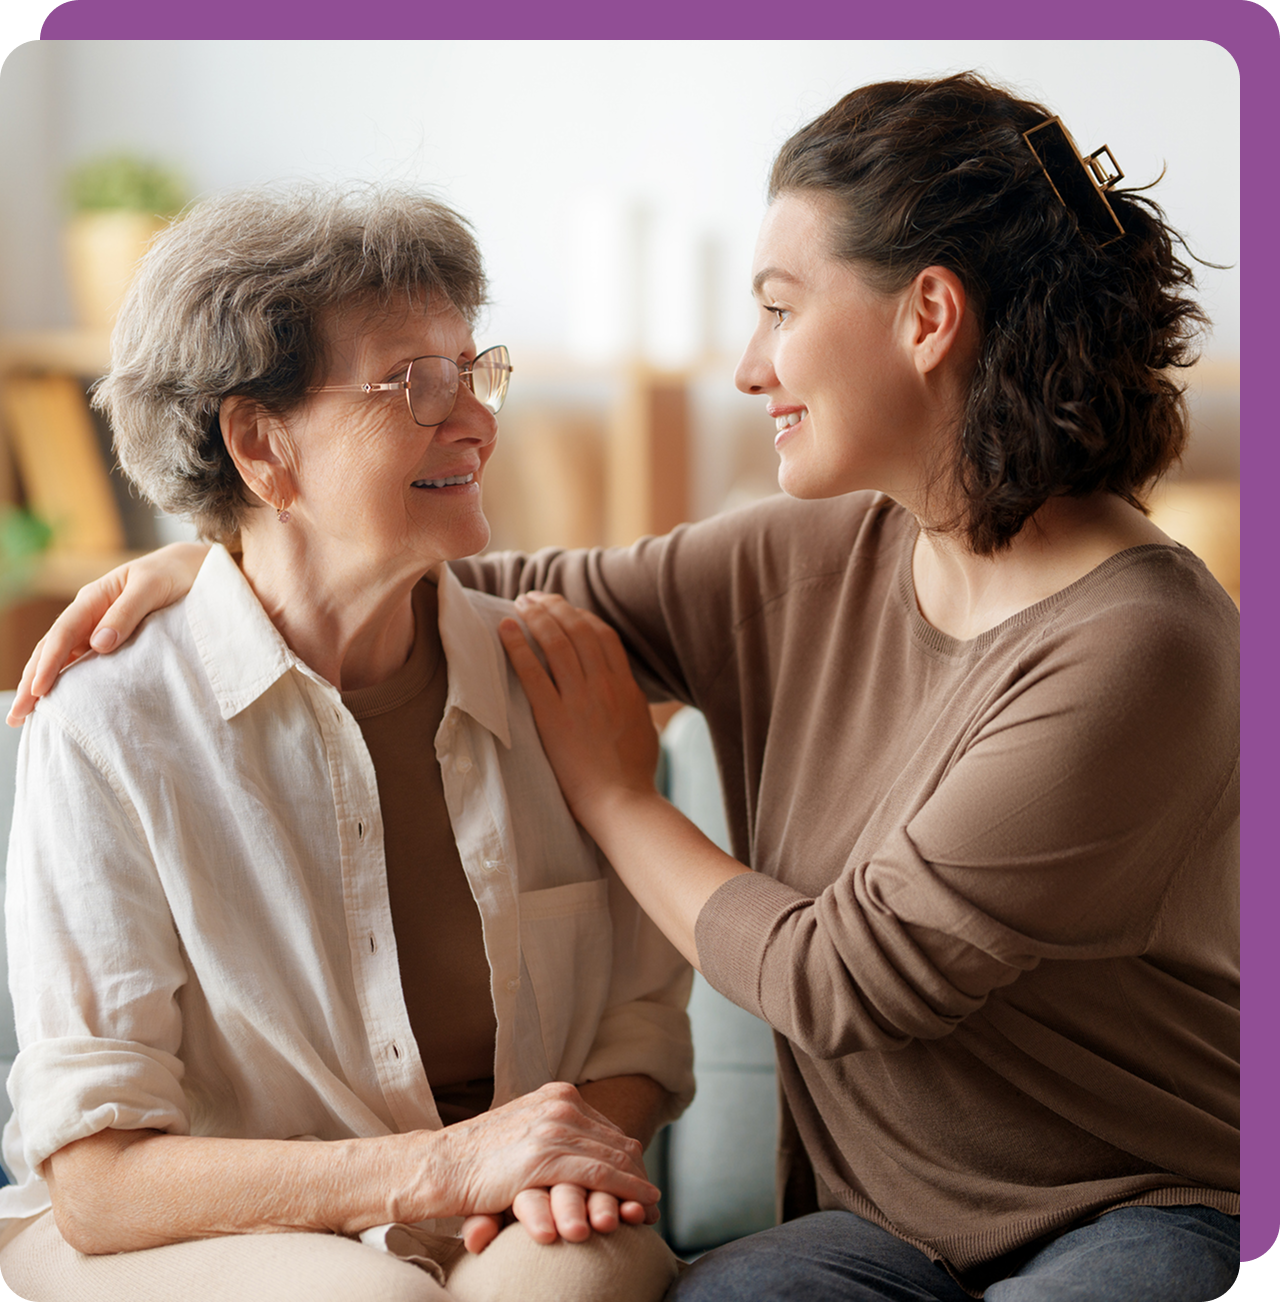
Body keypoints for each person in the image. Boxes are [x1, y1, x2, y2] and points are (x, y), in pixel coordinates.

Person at [14, 74, 1239, 1300]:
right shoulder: (808, 558)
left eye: (777, 307)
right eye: (415, 384)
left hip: (1137, 1202)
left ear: (926, 317)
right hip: (879, 1230)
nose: (749, 365)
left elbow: (843, 980)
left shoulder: (1140, 643)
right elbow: (451, 579)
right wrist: (224, 550)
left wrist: (612, 793)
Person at [0, 184, 693, 1302]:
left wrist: (560, 1163)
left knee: (567, 1286)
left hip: (502, 1215)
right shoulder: (110, 716)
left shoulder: (551, 672)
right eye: (417, 382)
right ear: (260, 444)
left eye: (475, 370)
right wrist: (444, 1165)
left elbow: (639, 1026)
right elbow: (97, 1181)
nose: (475, 418)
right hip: (202, 1239)